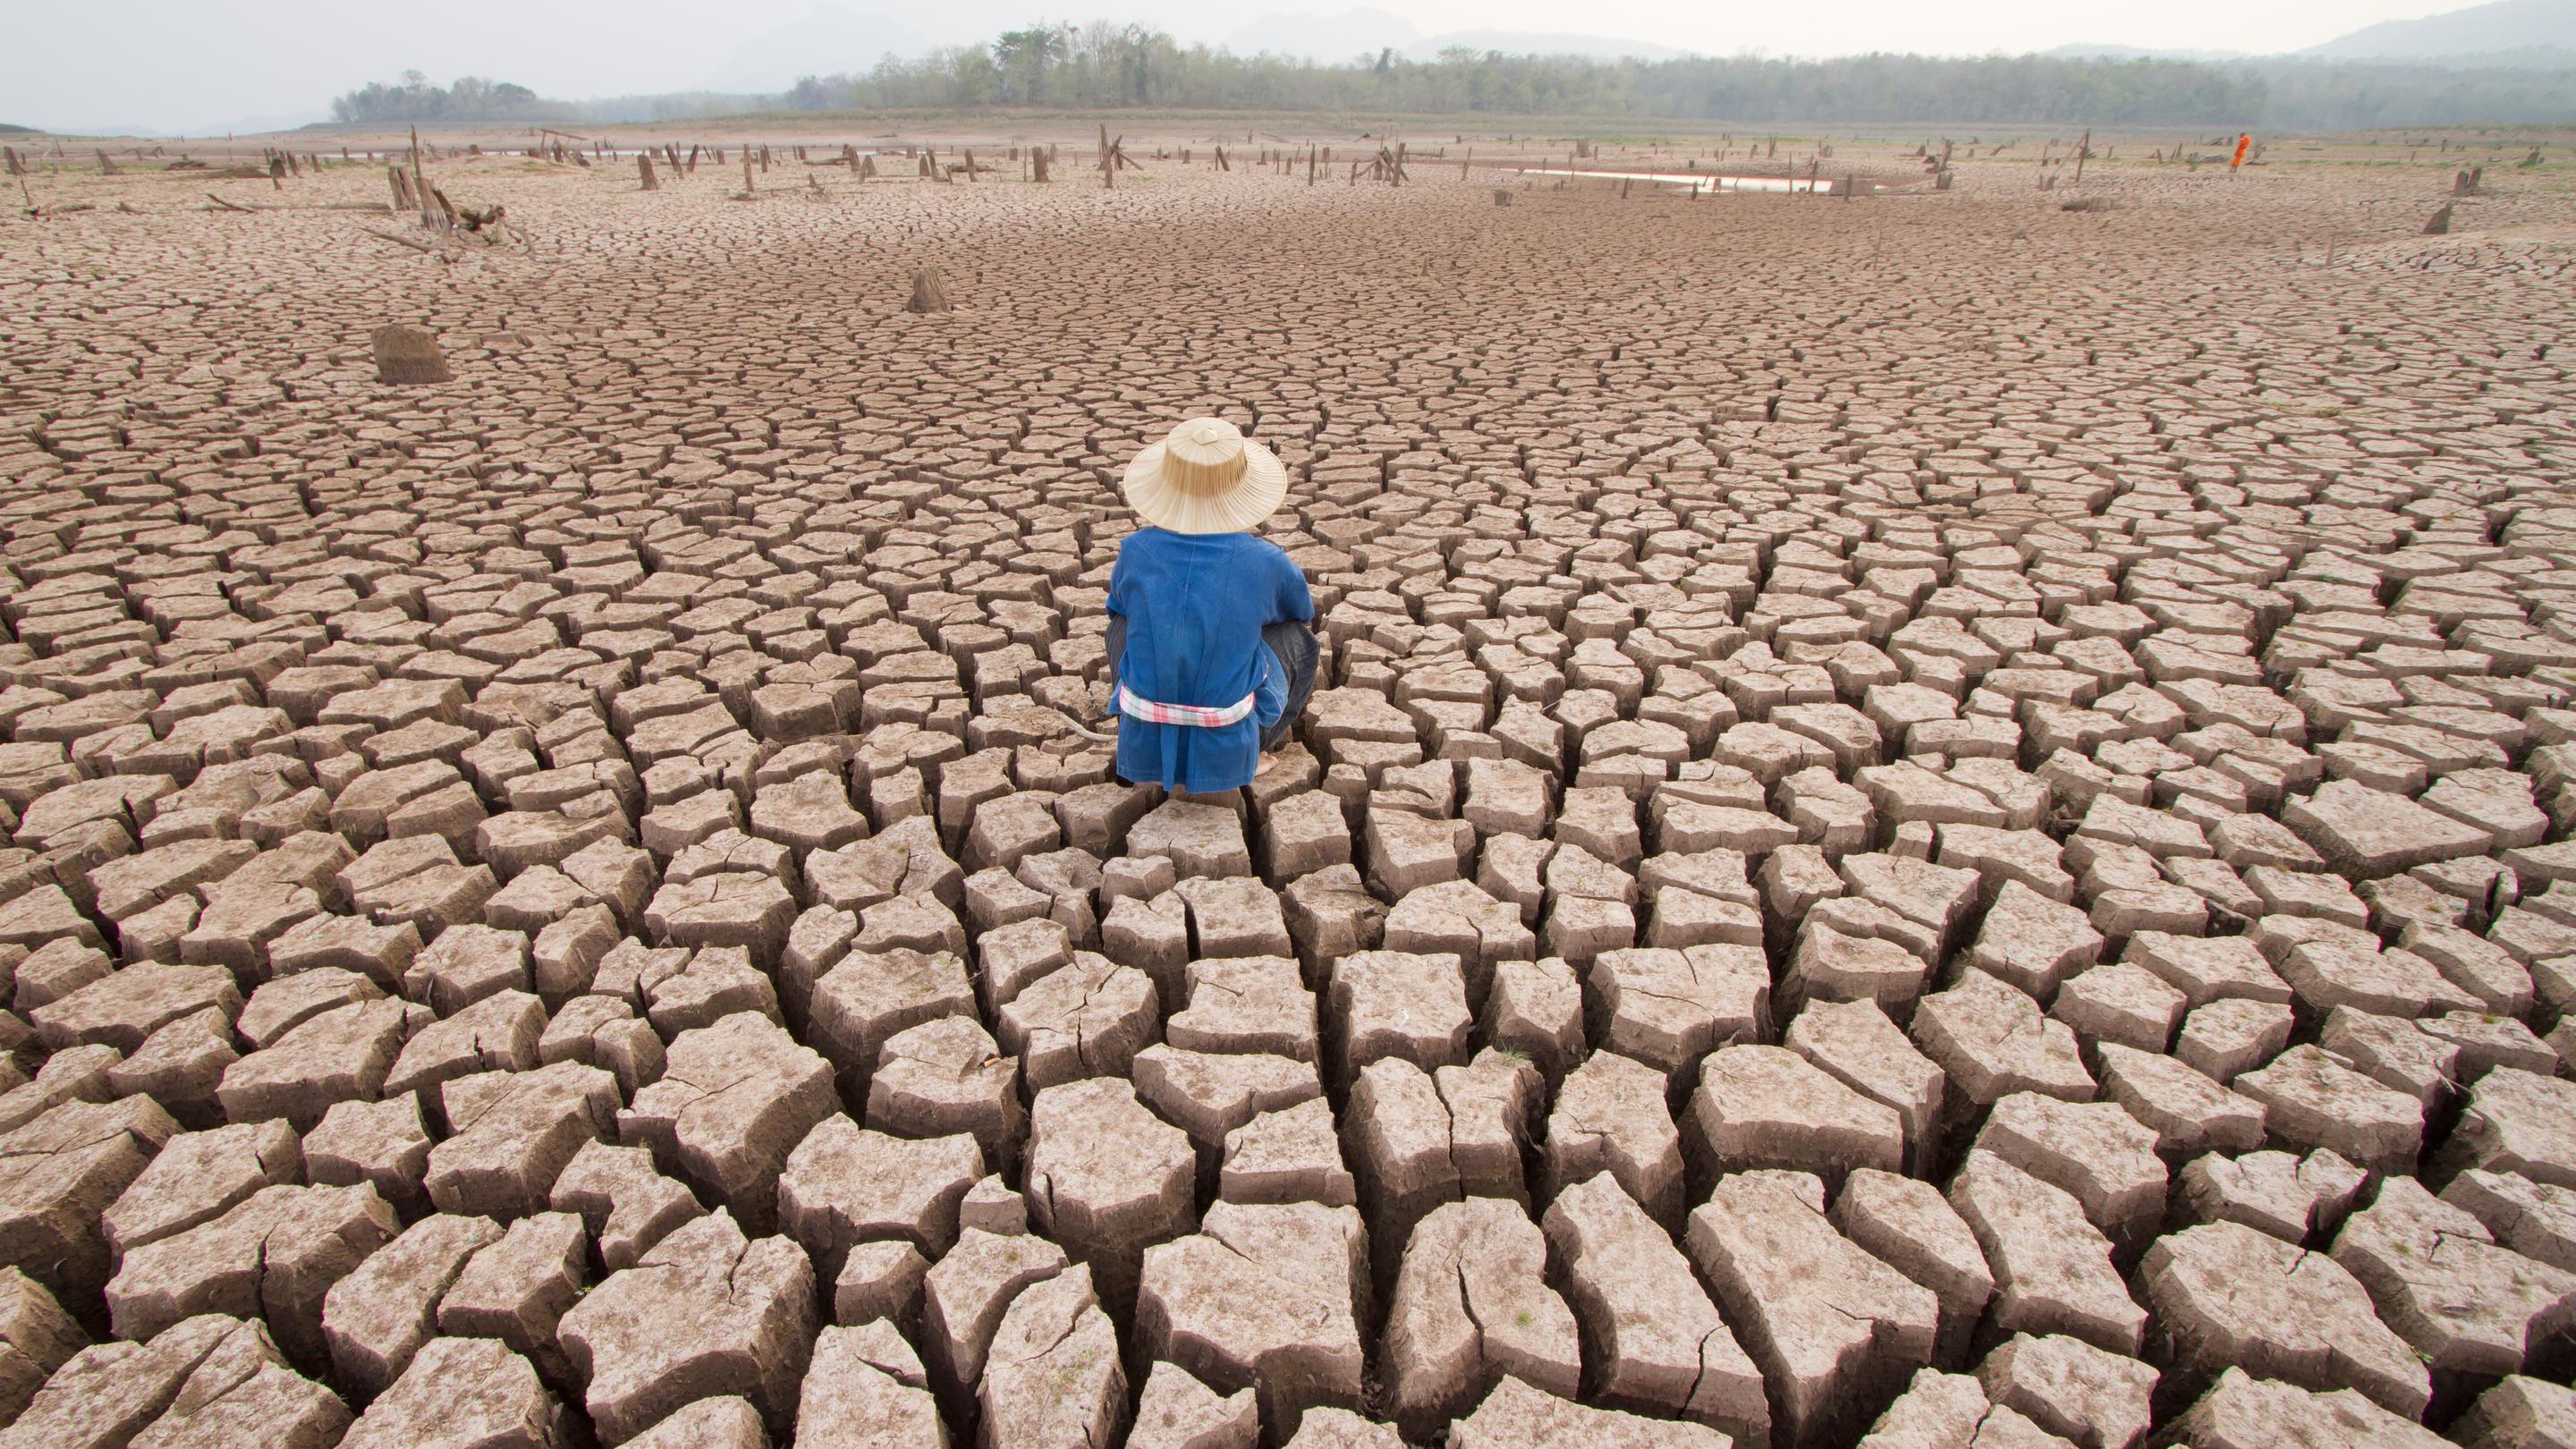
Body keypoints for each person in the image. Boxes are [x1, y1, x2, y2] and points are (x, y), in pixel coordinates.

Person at [1103, 416, 1318, 795]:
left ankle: (1144, 744)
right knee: (1297, 638)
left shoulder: (1134, 550)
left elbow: (1117, 606)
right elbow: (1298, 612)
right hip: (1229, 746)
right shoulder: (1267, 561)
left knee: (1123, 623)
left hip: (1143, 741)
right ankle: (1254, 749)